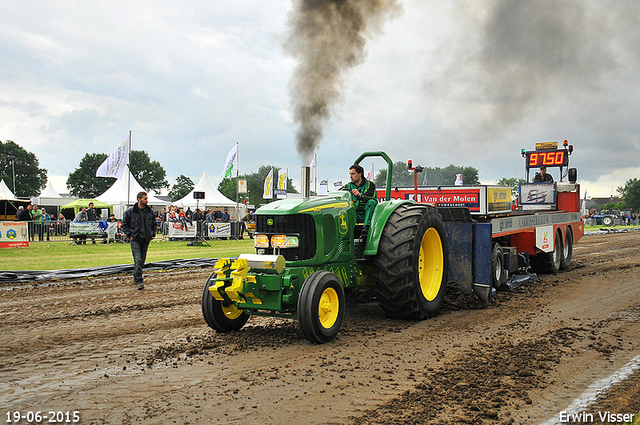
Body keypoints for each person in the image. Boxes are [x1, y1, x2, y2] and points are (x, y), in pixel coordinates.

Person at [121, 191, 157, 290]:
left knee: (142, 260)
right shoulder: (130, 212)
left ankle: (136, 275)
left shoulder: (150, 212)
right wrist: (130, 235)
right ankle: (139, 281)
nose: (147, 200)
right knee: (138, 259)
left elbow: (154, 224)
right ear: (139, 199)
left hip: (145, 239)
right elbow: (124, 225)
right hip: (135, 239)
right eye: (145, 199)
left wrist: (152, 234)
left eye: (147, 198)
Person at [341, 164, 377, 235]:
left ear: (360, 174)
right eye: (350, 174)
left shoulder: (370, 185)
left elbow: (369, 195)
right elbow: (339, 193)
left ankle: (367, 227)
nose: (351, 176)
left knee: (372, 202)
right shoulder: (348, 186)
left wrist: (359, 195)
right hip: (354, 213)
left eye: (353, 174)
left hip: (366, 212)